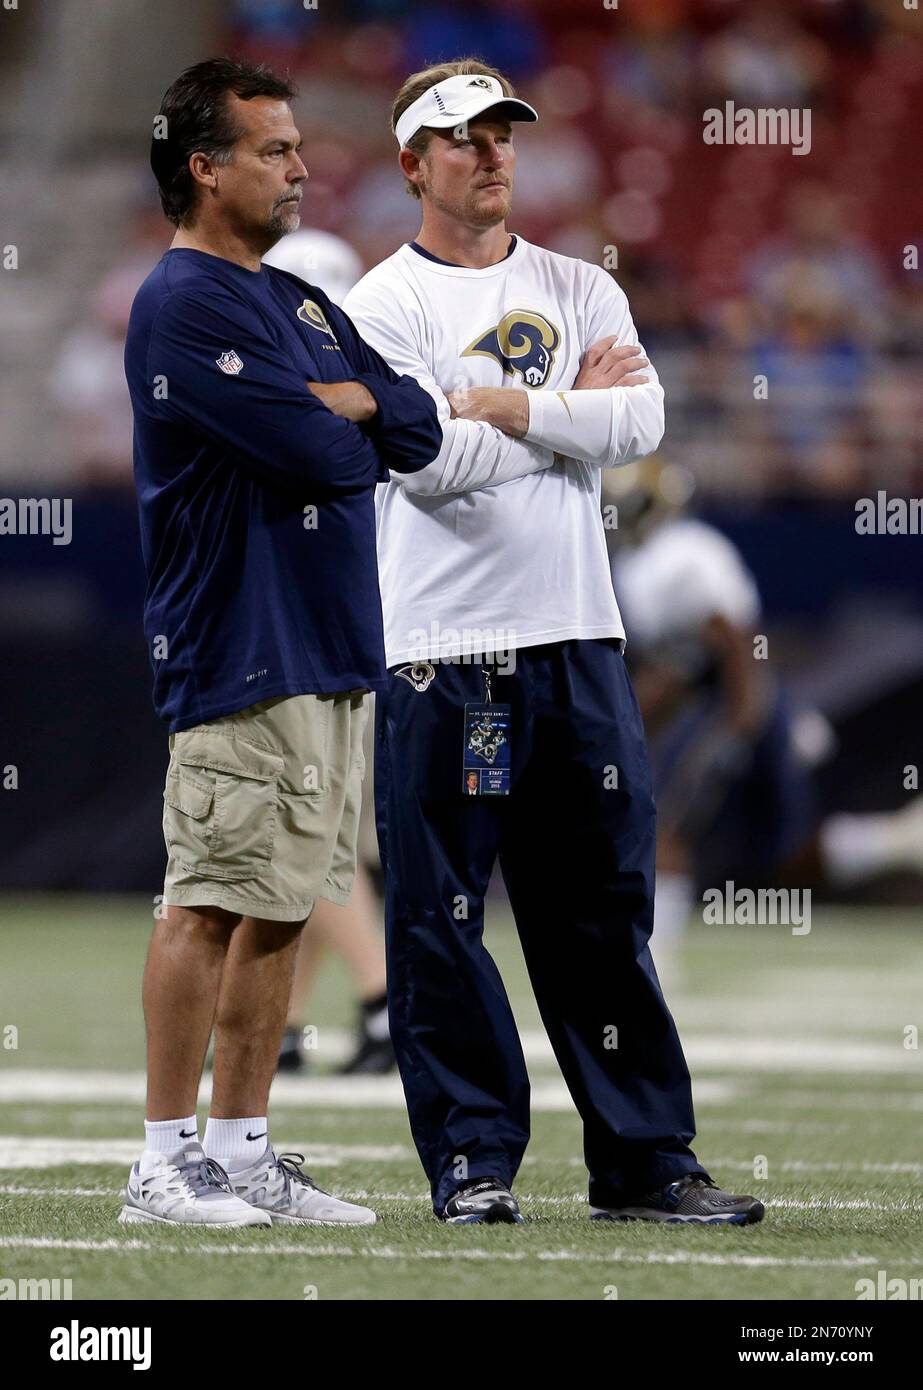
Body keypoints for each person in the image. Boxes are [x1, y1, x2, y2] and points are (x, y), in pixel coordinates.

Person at [343, 58, 763, 1225]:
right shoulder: (382, 306)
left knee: (599, 914)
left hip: (576, 641)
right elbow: (425, 463)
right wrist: (565, 423)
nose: (489, 152)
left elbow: (641, 418)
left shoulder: (580, 282)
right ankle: (472, 1160)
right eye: (461, 135)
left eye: (502, 132)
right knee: (442, 920)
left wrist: (510, 408)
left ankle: (643, 1160)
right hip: (444, 649)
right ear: (411, 162)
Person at [121, 57, 440, 1228]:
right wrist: (344, 412)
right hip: (240, 642)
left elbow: (408, 416)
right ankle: (162, 1161)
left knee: (286, 900)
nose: (302, 167)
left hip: (326, 639)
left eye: (297, 146)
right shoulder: (186, 301)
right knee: (205, 897)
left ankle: (243, 1147)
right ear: (204, 168)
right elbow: (326, 454)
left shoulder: (294, 301)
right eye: (272, 149)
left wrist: (350, 405)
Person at [262, 228, 394, 1076]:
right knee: (319, 845)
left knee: (310, 844)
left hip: (331, 645)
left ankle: (386, 1009)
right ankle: (287, 1028)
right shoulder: (369, 391)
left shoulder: (313, 406)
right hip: (365, 641)